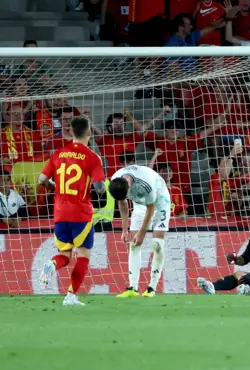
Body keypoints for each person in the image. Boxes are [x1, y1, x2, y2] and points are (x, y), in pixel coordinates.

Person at [37, 116, 106, 306]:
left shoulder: (58, 154)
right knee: (83, 255)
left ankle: (51, 264)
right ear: (89, 132)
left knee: (64, 254)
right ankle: (70, 296)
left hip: (60, 212)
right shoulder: (92, 157)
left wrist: (54, 188)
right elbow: (100, 187)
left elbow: (41, 180)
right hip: (81, 213)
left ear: (71, 132)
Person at [109, 165, 172, 298]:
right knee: (134, 243)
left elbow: (151, 208)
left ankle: (152, 288)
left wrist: (142, 233)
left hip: (159, 201)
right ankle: (132, 287)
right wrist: (124, 230)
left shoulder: (146, 183)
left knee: (157, 244)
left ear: (129, 187)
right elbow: (122, 203)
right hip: (140, 203)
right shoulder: (115, 181)